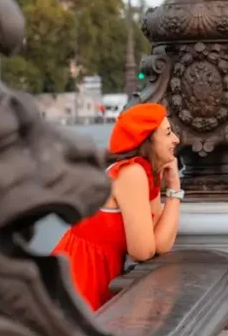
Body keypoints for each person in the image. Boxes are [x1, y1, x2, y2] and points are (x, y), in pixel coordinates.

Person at [53, 102, 182, 311]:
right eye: (168, 133)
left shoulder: (144, 172)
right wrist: (174, 191)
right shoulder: (131, 173)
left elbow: (160, 243)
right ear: (147, 140)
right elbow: (143, 251)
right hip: (82, 277)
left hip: (92, 274)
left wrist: (174, 187)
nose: (176, 139)